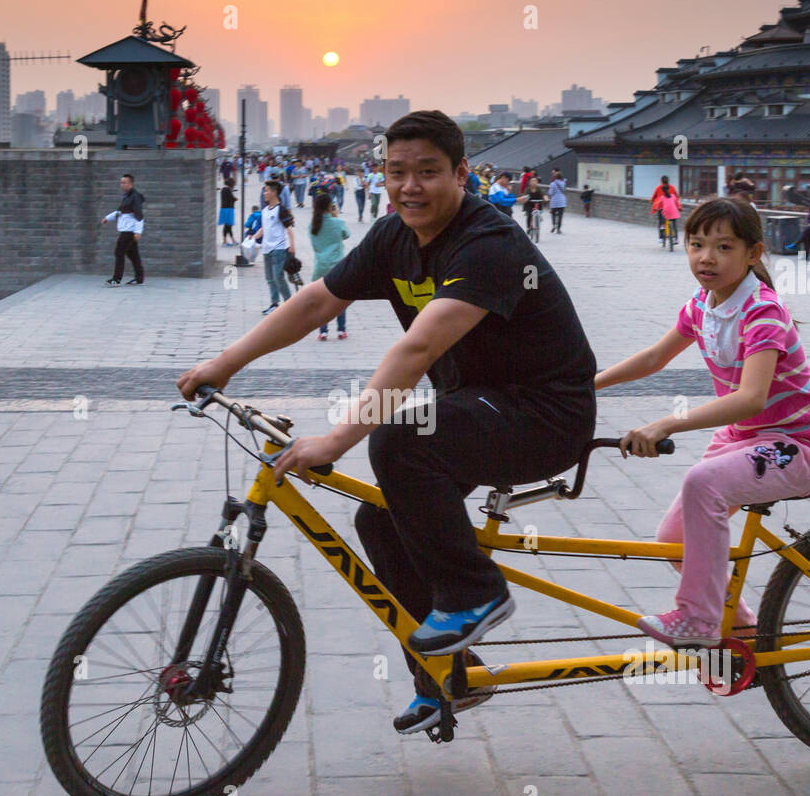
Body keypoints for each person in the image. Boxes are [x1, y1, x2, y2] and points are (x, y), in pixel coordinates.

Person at [177, 110, 597, 735]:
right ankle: (445, 675)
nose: (409, 187)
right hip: (476, 409)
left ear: (461, 174)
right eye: (396, 173)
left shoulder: (490, 244)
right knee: (381, 518)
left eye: (427, 172)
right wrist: (226, 362)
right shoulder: (393, 236)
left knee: (401, 440)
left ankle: (475, 594)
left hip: (543, 415)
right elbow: (318, 299)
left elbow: (417, 349)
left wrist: (338, 439)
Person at [594, 196, 810, 646]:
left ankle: (699, 620)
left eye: (724, 247)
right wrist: (586, 386)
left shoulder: (763, 312)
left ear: (753, 253)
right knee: (673, 536)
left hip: (798, 445)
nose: (706, 257)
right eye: (697, 244)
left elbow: (751, 397)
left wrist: (665, 424)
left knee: (703, 482)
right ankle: (740, 629)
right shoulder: (702, 304)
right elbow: (653, 357)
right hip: (745, 440)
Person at [252, 180, 297, 314]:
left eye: (266, 190)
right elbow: (263, 228)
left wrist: (292, 246)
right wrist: (252, 238)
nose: (264, 193)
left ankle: (290, 304)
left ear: (274, 192)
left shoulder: (280, 210)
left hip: (279, 248)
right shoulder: (265, 210)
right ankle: (274, 304)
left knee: (278, 277)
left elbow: (289, 228)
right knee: (270, 278)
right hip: (266, 248)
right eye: (264, 191)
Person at [310, 191, 351, 339]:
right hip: (337, 266)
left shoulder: (312, 226)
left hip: (320, 266)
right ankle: (341, 329)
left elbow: (315, 245)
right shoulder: (337, 223)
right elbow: (347, 234)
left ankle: (323, 331)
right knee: (339, 299)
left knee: (322, 301)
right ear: (330, 206)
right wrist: (336, 217)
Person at [99, 173, 145, 286]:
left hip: (129, 231)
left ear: (131, 184)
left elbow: (139, 215)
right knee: (133, 255)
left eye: (125, 182)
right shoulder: (127, 196)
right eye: (121, 182)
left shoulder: (134, 197)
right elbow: (120, 212)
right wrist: (107, 218)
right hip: (127, 230)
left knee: (119, 253)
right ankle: (139, 278)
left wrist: (138, 231)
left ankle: (116, 279)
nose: (122, 185)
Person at [651, 175, 678, 239]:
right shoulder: (672, 188)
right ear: (668, 181)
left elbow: (654, 196)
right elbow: (676, 196)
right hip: (672, 207)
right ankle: (675, 238)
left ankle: (661, 237)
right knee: (673, 222)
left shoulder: (658, 188)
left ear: (661, 181)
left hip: (661, 207)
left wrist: (652, 201)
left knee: (661, 221)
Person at [218, 177, 237, 246]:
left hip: (224, 209)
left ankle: (230, 240)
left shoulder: (223, 189)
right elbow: (232, 198)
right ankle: (226, 241)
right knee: (228, 225)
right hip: (228, 209)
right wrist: (235, 199)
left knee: (227, 225)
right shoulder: (228, 190)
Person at [548, 169, 567, 233]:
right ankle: (559, 229)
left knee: (553, 214)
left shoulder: (552, 184)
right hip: (562, 201)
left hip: (554, 202)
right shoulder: (563, 183)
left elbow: (550, 193)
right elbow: (564, 190)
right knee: (560, 215)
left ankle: (553, 225)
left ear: (555, 177)